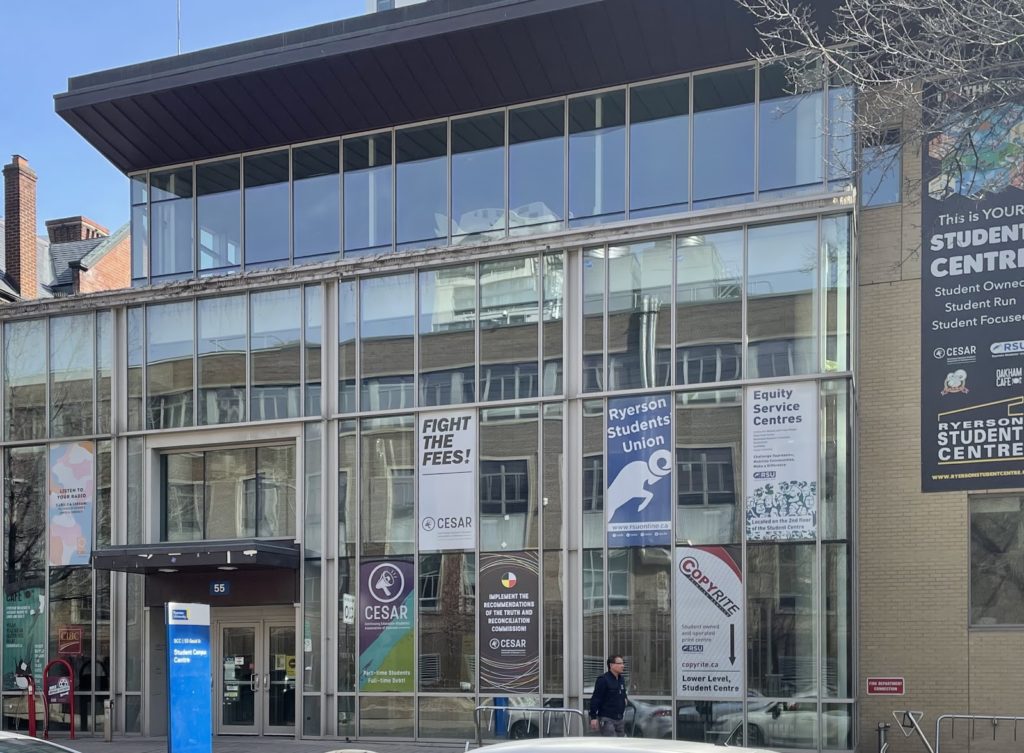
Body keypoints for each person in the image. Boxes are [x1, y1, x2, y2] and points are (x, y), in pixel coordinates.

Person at [589, 654, 628, 736]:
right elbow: (596, 698)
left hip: (620, 718)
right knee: (611, 744)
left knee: (621, 744)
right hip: (607, 719)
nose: (622, 666)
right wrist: (593, 717)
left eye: (623, 663)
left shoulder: (621, 679)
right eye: (620, 663)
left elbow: (623, 693)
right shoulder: (603, 680)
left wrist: (625, 699)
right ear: (611, 665)